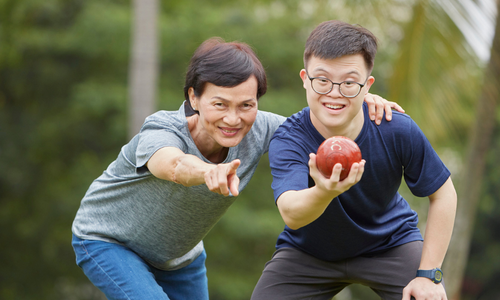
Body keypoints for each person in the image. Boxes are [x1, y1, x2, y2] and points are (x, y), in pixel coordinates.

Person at [71, 37, 402, 300]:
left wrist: (361, 102)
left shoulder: (261, 127)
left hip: (180, 257)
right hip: (107, 240)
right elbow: (170, 163)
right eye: (220, 104)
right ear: (194, 97)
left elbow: (321, 127)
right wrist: (206, 172)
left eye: (246, 105)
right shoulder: (162, 128)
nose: (233, 119)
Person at [251, 20, 457, 300]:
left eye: (348, 82)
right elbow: (291, 214)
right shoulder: (289, 138)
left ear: (366, 84)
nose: (334, 93)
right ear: (305, 78)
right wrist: (324, 192)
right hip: (309, 252)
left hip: (390, 243)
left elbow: (444, 194)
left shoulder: (395, 128)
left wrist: (429, 275)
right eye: (322, 80)